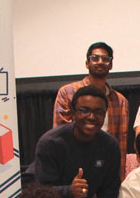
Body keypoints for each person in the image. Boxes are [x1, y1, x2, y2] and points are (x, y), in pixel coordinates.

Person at [26, 85, 121, 198]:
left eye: (98, 112)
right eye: (84, 110)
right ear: (73, 112)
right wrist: (69, 191)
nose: (91, 117)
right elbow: (41, 193)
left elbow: (109, 193)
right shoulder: (50, 143)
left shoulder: (110, 146)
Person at [52, 41, 128, 177]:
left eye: (105, 59)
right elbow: (60, 135)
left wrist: (119, 177)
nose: (100, 62)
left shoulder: (120, 100)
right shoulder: (68, 92)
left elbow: (120, 143)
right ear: (87, 63)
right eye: (95, 58)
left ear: (110, 65)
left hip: (104, 165)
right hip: (73, 164)